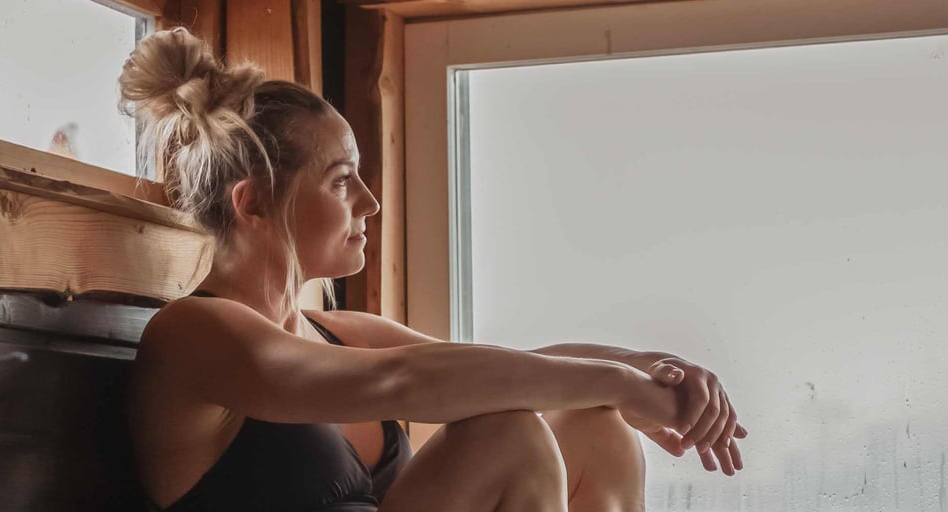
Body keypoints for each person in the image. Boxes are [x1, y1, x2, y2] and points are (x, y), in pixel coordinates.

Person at [121, 27, 748, 512]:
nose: (368, 203)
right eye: (342, 182)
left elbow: (490, 366)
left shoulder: (339, 334)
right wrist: (618, 381)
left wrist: (644, 371)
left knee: (593, 428)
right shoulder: (192, 335)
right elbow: (403, 382)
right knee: (510, 434)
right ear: (253, 201)